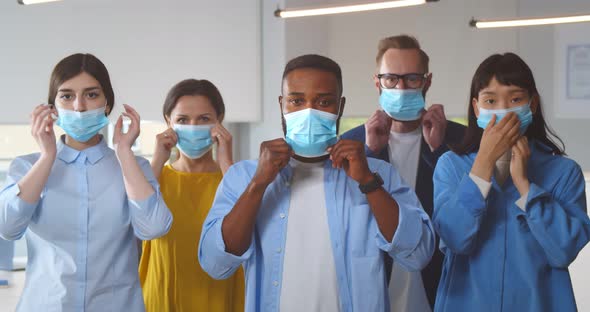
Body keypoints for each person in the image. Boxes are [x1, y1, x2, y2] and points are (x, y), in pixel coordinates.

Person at [198, 54, 434, 311]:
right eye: (296, 101)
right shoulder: (244, 176)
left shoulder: (378, 175)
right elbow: (215, 263)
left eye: (323, 102)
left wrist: (367, 182)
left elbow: (418, 253)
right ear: (282, 104)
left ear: (340, 107)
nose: (309, 111)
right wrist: (258, 185)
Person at [0, 53, 173, 311]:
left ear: (107, 104)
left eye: (91, 95)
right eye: (67, 96)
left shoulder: (134, 168)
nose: (79, 106)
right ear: (53, 108)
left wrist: (125, 152)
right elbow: (7, 227)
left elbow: (154, 228)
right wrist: (48, 156)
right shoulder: (26, 166)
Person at [432, 52, 590, 312]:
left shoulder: (564, 172)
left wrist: (525, 185)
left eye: (515, 99)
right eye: (490, 100)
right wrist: (482, 165)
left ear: (533, 105)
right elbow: (455, 239)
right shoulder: (451, 166)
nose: (503, 110)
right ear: (476, 107)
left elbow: (564, 251)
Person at [341, 35, 464, 311]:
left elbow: (465, 212)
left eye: (412, 79)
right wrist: (370, 155)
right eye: (391, 79)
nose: (401, 87)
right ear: (377, 82)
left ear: (427, 81)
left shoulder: (459, 140)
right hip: (374, 287)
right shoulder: (352, 144)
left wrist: (439, 152)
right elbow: (347, 219)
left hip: (442, 288)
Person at [139, 79, 244, 311]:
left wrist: (227, 161)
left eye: (204, 119)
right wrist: (157, 160)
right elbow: (136, 219)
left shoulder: (234, 178)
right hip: (163, 297)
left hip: (221, 297)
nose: (193, 126)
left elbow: (250, 225)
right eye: (183, 120)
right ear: (168, 121)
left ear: (220, 120)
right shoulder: (154, 176)